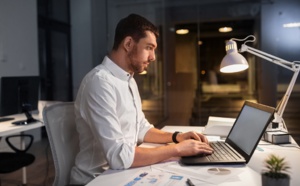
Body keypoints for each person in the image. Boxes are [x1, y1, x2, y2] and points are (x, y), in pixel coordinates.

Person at [70, 13, 213, 185]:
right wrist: (177, 149)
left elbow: (141, 129)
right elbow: (119, 156)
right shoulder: (99, 82)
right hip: (96, 179)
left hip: (120, 172)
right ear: (128, 44)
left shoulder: (128, 80)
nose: (153, 57)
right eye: (149, 47)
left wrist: (177, 137)